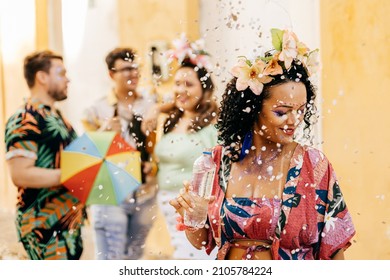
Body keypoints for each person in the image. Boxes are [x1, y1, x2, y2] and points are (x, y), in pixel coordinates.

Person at [170, 28, 356, 260]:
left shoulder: (314, 166)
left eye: (301, 111)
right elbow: (201, 242)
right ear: (253, 108)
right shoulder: (216, 161)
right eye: (282, 112)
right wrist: (194, 216)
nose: (294, 121)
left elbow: (334, 250)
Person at [82, 47, 164, 260]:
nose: (133, 73)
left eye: (136, 67)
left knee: (134, 257)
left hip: (145, 192)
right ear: (111, 74)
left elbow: (160, 147)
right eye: (126, 68)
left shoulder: (150, 104)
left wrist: (152, 165)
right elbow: (85, 155)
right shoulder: (95, 110)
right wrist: (104, 133)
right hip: (111, 192)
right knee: (111, 258)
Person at [4, 50, 84, 260]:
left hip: (68, 223)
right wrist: (71, 174)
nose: (68, 79)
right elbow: (20, 175)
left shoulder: (58, 117)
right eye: (61, 73)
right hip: (43, 227)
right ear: (42, 77)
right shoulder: (25, 118)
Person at [151, 34, 218, 259]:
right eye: (177, 83)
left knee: (191, 259)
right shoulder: (171, 120)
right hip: (167, 204)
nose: (181, 90)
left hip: (194, 208)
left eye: (189, 84)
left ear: (204, 88)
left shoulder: (212, 125)